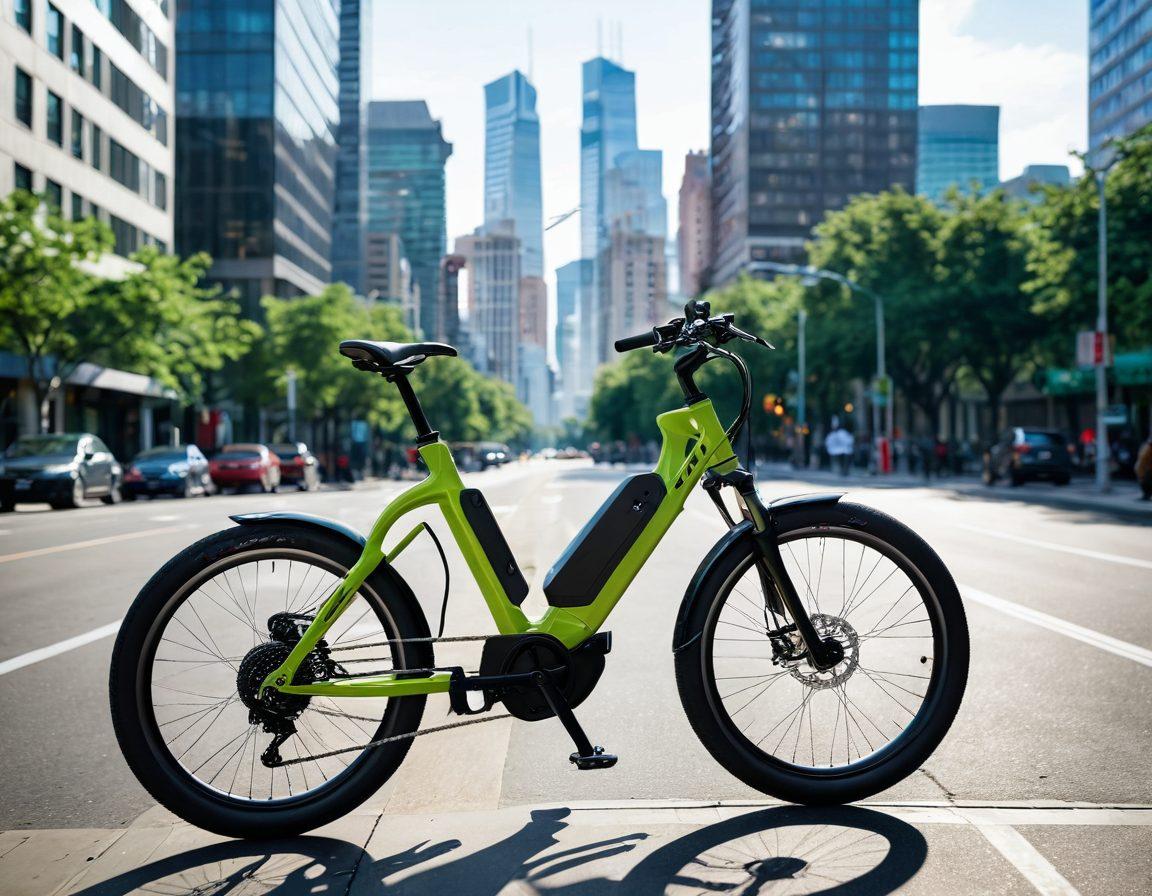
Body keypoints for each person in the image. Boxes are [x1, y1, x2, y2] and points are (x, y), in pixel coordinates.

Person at [1136, 433, 1152, 501]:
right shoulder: (1147, 446)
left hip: (1147, 468)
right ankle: (1146, 495)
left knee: (1145, 481)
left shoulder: (1148, 447)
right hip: (1145, 467)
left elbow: (1143, 457)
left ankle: (1146, 495)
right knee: (1145, 481)